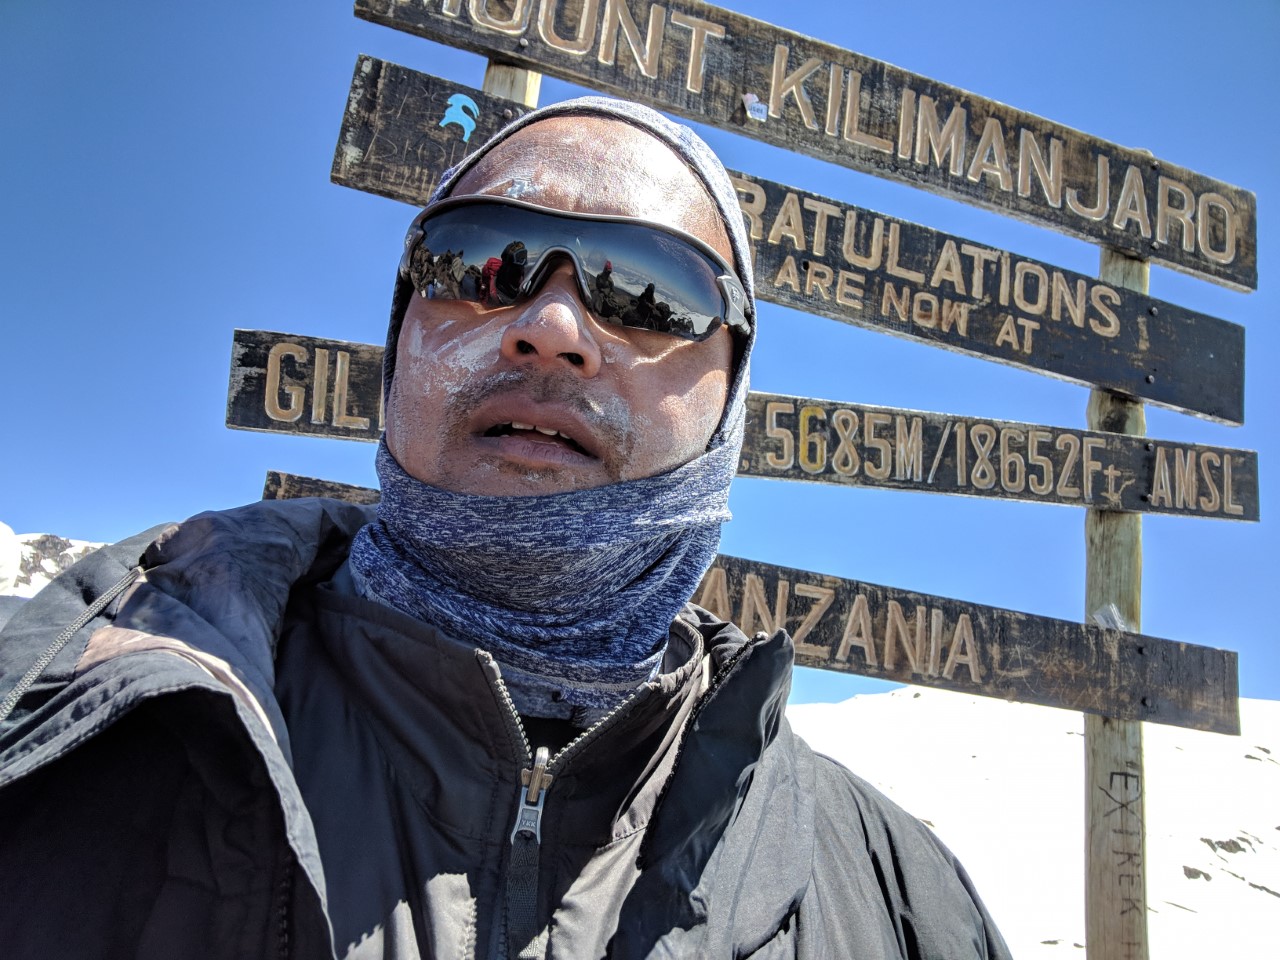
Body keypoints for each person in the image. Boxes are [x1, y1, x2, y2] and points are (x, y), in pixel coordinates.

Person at [0, 98, 1011, 959]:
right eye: (480, 262)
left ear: (732, 394)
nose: (553, 328)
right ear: (396, 346)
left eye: (647, 292)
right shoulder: (53, 737)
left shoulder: (899, 897)